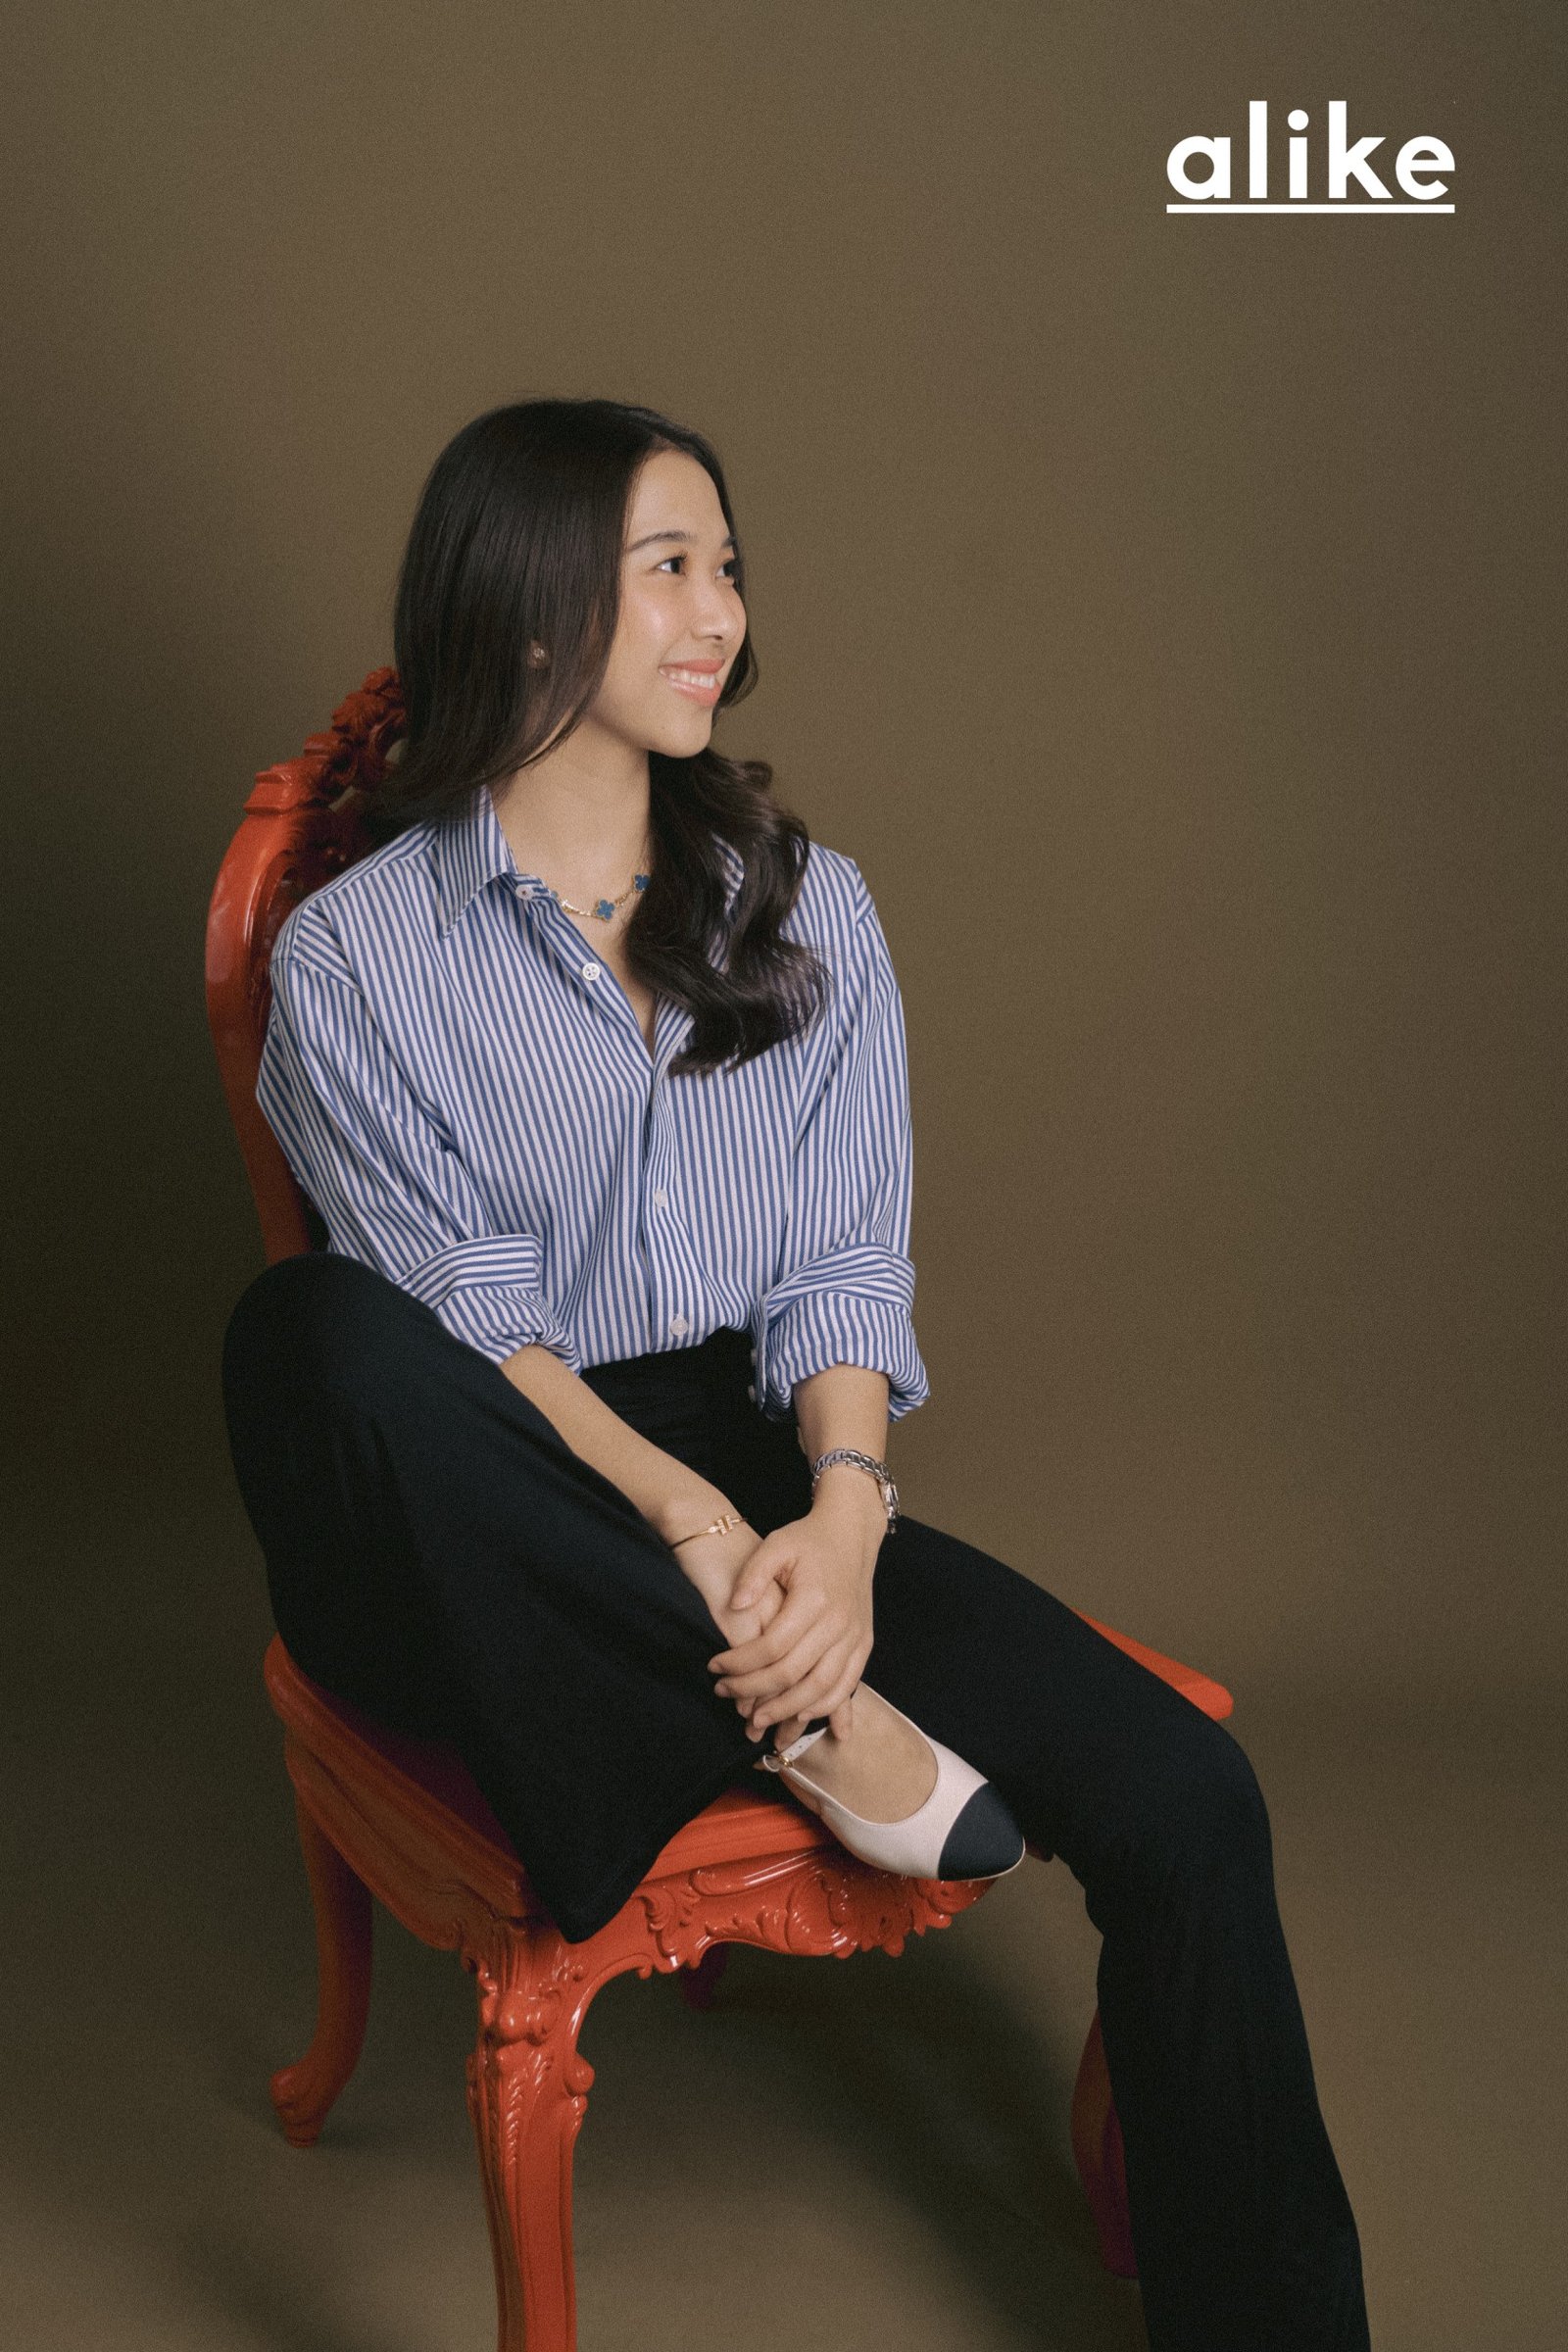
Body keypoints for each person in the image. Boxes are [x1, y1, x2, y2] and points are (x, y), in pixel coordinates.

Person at [220, 397, 1372, 2349]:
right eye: (666, 566)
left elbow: (841, 1268)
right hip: (482, 1497)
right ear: (526, 607)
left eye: (727, 567)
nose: (720, 614)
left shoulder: (808, 910)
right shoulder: (354, 955)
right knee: (310, 1333)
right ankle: (794, 1723)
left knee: (1189, 1797)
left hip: (756, 1468)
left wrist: (835, 1525)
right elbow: (468, 1315)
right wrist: (687, 1530)